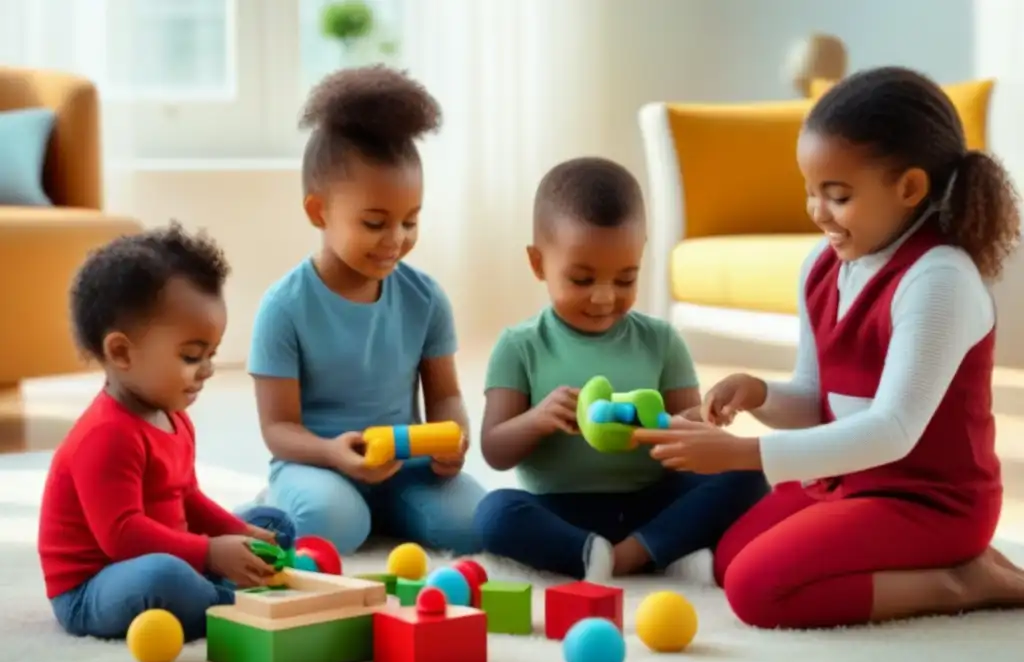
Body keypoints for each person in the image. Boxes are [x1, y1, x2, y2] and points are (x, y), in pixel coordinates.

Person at [634, 66, 1024, 629]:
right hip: (848, 483)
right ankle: (928, 567)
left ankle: (959, 579)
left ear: (909, 188)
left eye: (837, 196)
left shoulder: (940, 279)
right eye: (811, 192)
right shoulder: (823, 267)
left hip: (930, 502)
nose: (817, 212)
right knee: (729, 559)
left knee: (756, 590)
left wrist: (742, 455)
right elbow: (820, 398)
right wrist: (760, 393)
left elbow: (892, 430)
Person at [473, 157, 770, 581]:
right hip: (562, 507)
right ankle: (596, 552)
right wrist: (538, 419)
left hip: (653, 498)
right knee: (493, 512)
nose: (604, 297)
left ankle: (634, 552)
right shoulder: (520, 346)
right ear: (538, 263)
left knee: (748, 473)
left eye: (625, 279)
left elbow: (687, 442)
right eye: (581, 279)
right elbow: (494, 450)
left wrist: (701, 418)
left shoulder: (661, 341)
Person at [247, 65, 485, 557]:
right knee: (333, 524)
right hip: (317, 462)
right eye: (375, 222)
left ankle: (383, 508)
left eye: (410, 220)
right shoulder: (283, 308)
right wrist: (332, 453)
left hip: (407, 466)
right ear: (318, 212)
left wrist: (453, 438)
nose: (395, 239)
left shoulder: (426, 298)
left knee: (475, 523)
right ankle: (280, 503)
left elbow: (445, 396)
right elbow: (278, 429)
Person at [38, 224, 294, 643]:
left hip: (174, 550)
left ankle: (226, 587)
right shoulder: (104, 437)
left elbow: (187, 499)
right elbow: (122, 537)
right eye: (192, 356)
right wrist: (210, 552)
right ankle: (230, 605)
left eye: (211, 354)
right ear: (121, 352)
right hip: (98, 584)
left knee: (272, 523)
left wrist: (238, 532)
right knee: (164, 577)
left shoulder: (174, 417)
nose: (208, 370)